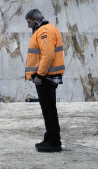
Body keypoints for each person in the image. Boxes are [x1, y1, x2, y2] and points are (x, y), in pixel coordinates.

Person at [25, 9, 65, 152]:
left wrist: (40, 76)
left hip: (46, 78)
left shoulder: (44, 31)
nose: (28, 25)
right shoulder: (45, 30)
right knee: (48, 110)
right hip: (47, 77)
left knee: (49, 110)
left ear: (36, 19)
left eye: (29, 22)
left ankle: (54, 143)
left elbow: (47, 55)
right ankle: (49, 138)